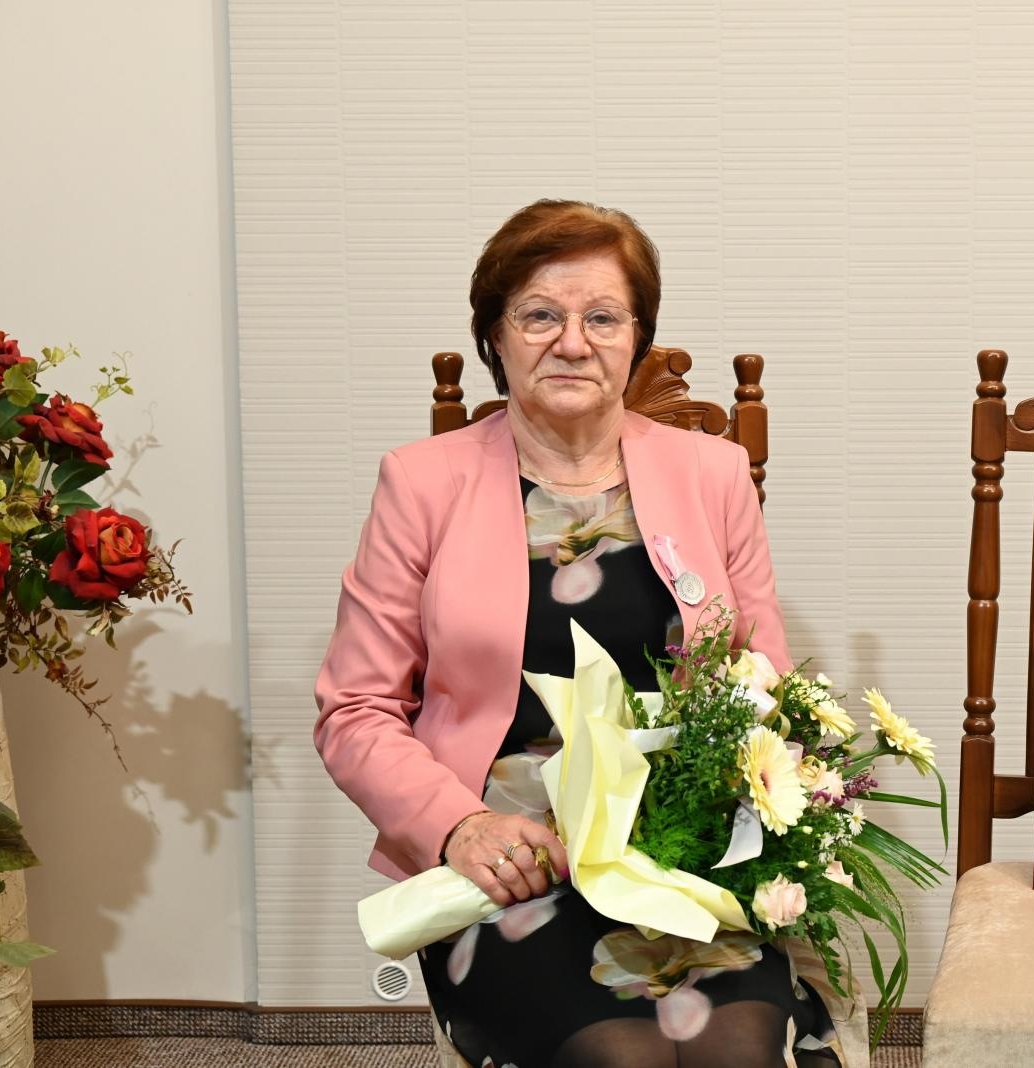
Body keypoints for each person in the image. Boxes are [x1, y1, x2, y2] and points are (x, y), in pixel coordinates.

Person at [315, 200, 847, 1068]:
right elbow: (356, 710)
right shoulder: (423, 483)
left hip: (682, 858)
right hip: (513, 862)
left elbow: (767, 687)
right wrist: (460, 828)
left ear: (637, 337)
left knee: (737, 1049)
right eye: (539, 315)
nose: (572, 341)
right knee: (619, 1058)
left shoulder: (712, 474)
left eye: (602, 316)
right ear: (495, 336)